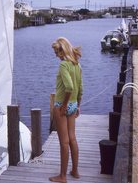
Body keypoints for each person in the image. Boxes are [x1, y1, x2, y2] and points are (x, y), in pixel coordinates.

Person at [49, 37, 83, 183]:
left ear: (62, 51)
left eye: (57, 52)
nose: (56, 55)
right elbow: (80, 88)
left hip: (62, 105)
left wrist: (63, 106)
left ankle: (62, 176)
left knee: (64, 142)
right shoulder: (77, 65)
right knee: (72, 139)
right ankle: (75, 171)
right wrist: (77, 105)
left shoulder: (64, 65)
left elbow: (69, 87)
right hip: (74, 104)